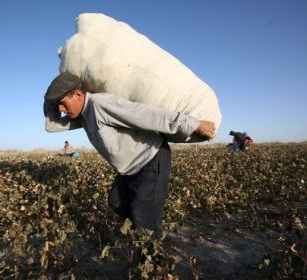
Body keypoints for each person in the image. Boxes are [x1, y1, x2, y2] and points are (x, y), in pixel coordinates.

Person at [43, 72, 215, 238]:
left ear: (78, 94)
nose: (61, 109)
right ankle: (146, 228)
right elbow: (51, 125)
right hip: (129, 169)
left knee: (143, 219)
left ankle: (151, 258)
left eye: (63, 103)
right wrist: (49, 99)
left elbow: (145, 114)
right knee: (117, 202)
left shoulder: (100, 105)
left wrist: (191, 124)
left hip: (150, 159)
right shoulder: (81, 115)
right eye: (58, 104)